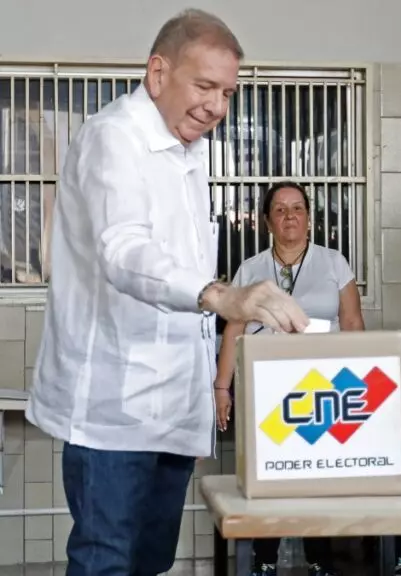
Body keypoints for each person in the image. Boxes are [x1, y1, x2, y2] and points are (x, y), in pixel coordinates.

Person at [25, 10, 308, 576]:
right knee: (106, 561)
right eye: (204, 86)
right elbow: (125, 251)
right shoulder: (114, 138)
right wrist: (220, 295)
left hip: (174, 406)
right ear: (158, 73)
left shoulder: (189, 150)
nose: (217, 107)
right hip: (115, 407)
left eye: (227, 93)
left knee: (151, 562)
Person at [214, 181, 364, 576]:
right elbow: (233, 331)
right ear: (267, 221)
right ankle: (263, 560)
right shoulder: (251, 268)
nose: (289, 216)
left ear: (309, 218)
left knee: (318, 476)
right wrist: (221, 386)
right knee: (268, 477)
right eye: (279, 210)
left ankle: (321, 560)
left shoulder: (334, 262)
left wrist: (358, 383)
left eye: (297, 208)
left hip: (324, 388)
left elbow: (351, 323)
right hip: (267, 388)